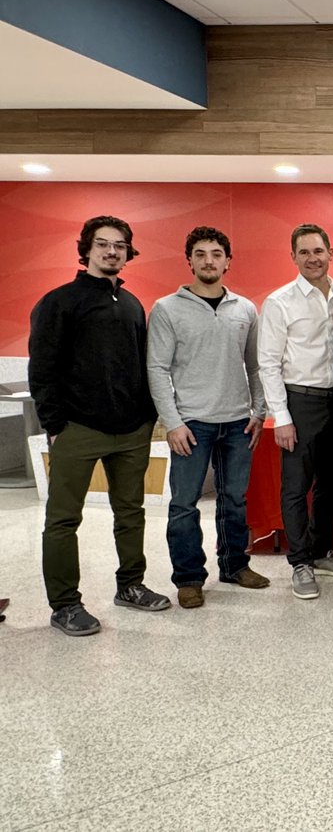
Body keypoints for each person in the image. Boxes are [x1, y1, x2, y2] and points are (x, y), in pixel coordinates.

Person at [29, 215, 169, 636]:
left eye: (120, 246)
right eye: (103, 244)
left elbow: (141, 365)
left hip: (131, 429)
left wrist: (148, 417)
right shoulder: (59, 302)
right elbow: (43, 369)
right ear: (86, 249)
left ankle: (130, 586)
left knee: (131, 513)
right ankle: (65, 605)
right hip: (78, 429)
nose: (112, 251)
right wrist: (56, 425)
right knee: (63, 520)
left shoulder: (131, 304)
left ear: (128, 253)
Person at [147, 226, 269, 609]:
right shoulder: (167, 309)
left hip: (238, 422)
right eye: (200, 254)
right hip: (191, 424)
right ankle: (188, 578)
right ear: (189, 261)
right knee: (184, 504)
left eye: (216, 253)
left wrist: (259, 411)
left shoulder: (245, 309)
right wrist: (172, 422)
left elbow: (256, 365)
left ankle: (235, 565)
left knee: (234, 499)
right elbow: (156, 368)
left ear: (228, 261)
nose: (208, 260)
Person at [258, 223, 333, 600]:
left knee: (330, 483)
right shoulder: (280, 302)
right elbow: (268, 363)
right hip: (300, 400)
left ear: (330, 253)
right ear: (293, 257)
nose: (313, 258)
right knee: (296, 486)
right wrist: (281, 417)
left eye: (318, 251)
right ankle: (299, 562)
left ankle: (320, 550)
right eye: (304, 252)